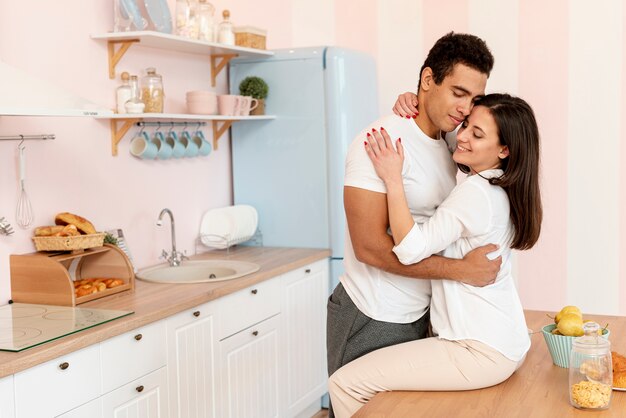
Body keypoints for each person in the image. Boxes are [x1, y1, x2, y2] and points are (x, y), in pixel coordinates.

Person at [328, 93, 542, 417]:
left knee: (344, 383)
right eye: (466, 124)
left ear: (504, 150)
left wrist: (392, 178)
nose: (464, 135)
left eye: (477, 134)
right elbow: (450, 124)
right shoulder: (504, 187)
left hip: (477, 349)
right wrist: (417, 102)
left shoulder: (475, 192)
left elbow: (411, 249)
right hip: (505, 343)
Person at [326, 32, 500, 416]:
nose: (465, 108)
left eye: (474, 98)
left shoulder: (453, 143)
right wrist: (460, 271)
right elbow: (369, 247)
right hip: (373, 312)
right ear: (427, 80)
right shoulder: (378, 141)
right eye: (457, 92)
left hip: (424, 313)